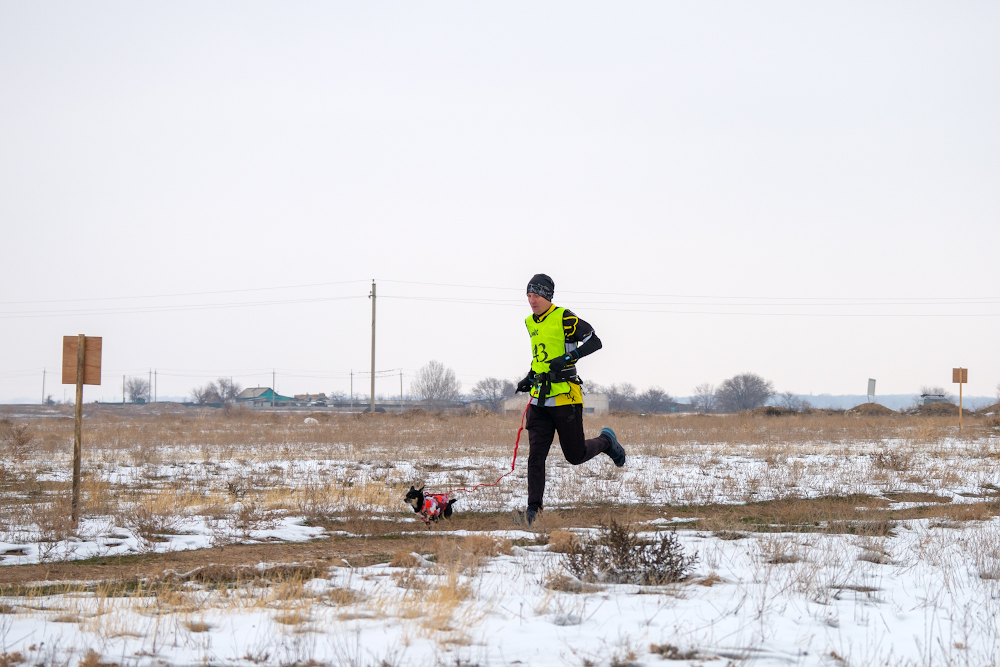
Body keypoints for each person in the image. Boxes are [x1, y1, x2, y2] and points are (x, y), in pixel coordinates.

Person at [514, 273, 626, 526]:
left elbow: (594, 342)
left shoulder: (564, 317)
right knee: (536, 456)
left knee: (575, 456)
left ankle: (607, 441)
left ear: (547, 296)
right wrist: (530, 377)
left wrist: (567, 359)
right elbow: (541, 357)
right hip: (539, 402)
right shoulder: (530, 322)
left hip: (566, 399)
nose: (532, 300)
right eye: (529, 295)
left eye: (537, 295)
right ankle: (533, 511)